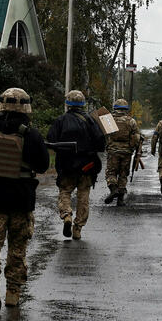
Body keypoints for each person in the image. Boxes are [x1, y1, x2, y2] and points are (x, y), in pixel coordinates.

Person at [0, 88, 50, 312]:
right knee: (17, 248)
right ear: (26, 108)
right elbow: (43, 165)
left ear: (1, 106)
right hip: (21, 201)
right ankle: (13, 293)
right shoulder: (31, 134)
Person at [47, 90, 106, 240]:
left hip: (66, 164)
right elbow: (101, 143)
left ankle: (66, 214)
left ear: (67, 104)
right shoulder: (91, 121)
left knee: (65, 191)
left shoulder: (60, 120)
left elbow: (51, 141)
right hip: (87, 165)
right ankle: (78, 227)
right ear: (83, 104)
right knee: (83, 195)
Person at [103, 98, 141, 206]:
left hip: (113, 151)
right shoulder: (131, 121)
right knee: (123, 174)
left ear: (115, 108)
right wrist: (134, 147)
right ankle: (120, 199)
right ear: (126, 109)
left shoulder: (109, 120)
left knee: (111, 172)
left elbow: (103, 134)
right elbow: (137, 137)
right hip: (126, 152)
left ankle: (113, 189)